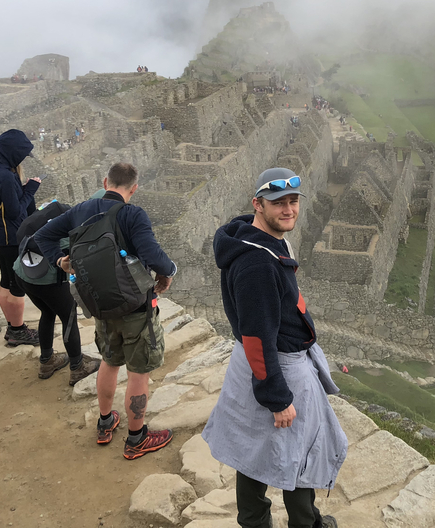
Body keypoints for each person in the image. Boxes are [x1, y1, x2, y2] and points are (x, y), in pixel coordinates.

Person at [204, 167, 345, 528]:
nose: (288, 210)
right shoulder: (256, 264)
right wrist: (277, 398)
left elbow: (268, 305)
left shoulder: (260, 236)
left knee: (253, 450)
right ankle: (305, 523)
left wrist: (292, 301)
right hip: (275, 365)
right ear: (258, 204)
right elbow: (256, 337)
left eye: (293, 201)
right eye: (278, 203)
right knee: (298, 451)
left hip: (261, 361)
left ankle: (257, 523)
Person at [34, 162, 177, 458]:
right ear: (133, 189)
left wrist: (60, 260)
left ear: (105, 181)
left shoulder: (80, 210)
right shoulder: (132, 213)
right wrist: (169, 271)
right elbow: (153, 255)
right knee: (138, 372)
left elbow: (42, 236)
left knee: (109, 362)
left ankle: (104, 422)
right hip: (135, 306)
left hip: (99, 304)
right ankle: (136, 438)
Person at [14, 202, 100, 386]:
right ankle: (78, 367)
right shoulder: (70, 230)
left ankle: (47, 361)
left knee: (47, 311)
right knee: (69, 317)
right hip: (48, 280)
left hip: (22, 273)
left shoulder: (44, 218)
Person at [0, 129, 41, 347]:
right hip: (12, 236)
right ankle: (17, 330)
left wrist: (22, 190)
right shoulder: (6, 176)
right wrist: (31, 189)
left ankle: (13, 327)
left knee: (6, 280)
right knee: (17, 284)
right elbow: (16, 211)